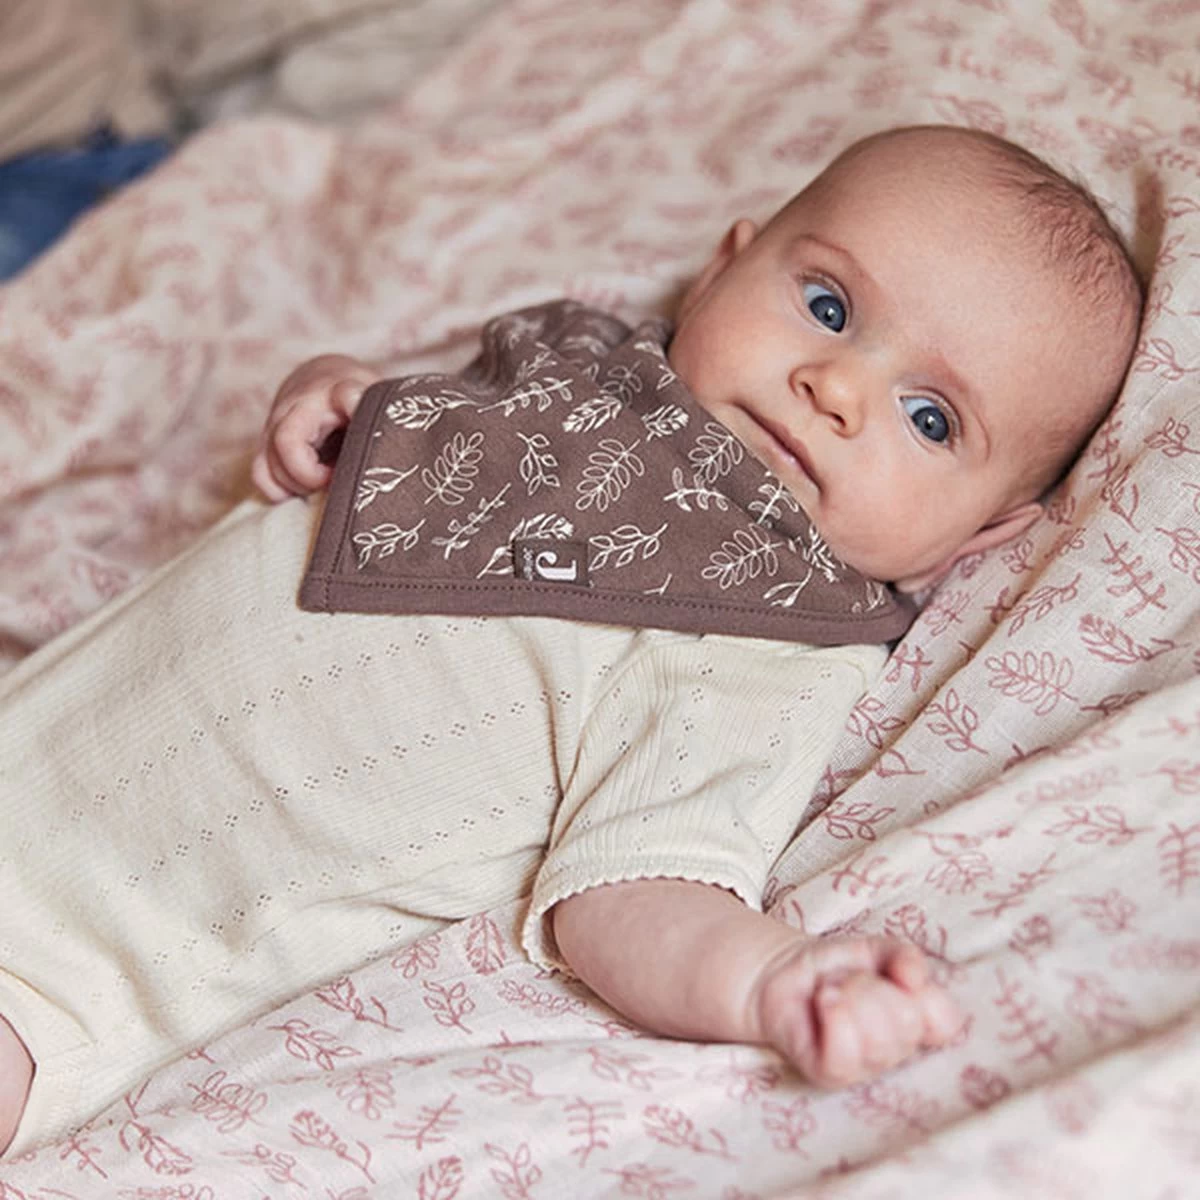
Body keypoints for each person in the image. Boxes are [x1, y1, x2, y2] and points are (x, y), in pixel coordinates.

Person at [0, 125, 1143, 1156]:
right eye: (830, 307)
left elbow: (634, 891)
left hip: (66, 966)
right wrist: (335, 398)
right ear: (725, 265)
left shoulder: (766, 643)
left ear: (982, 532)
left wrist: (772, 980)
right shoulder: (575, 375)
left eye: (931, 418)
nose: (838, 386)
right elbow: (394, 427)